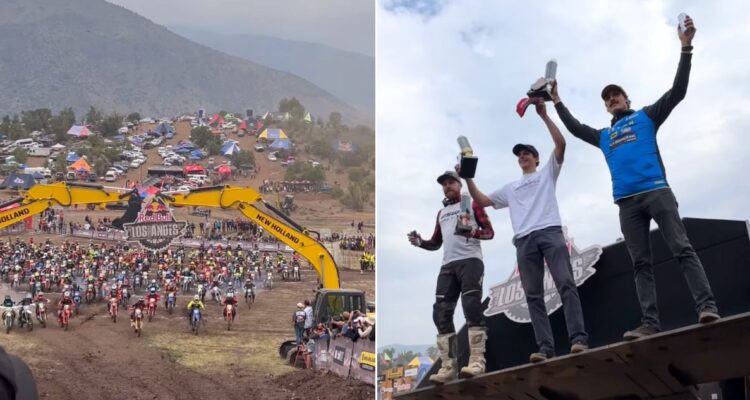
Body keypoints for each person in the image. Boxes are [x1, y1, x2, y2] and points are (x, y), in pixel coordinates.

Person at [551, 14, 719, 340]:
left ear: (626, 99)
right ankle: (650, 324)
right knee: (641, 265)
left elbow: (678, 91)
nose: (612, 99)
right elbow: (573, 128)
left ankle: (706, 306)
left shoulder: (647, 117)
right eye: (607, 98)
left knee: (682, 248)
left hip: (657, 191)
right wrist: (556, 100)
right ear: (606, 107)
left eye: (617, 95)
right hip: (626, 204)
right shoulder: (603, 135)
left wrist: (686, 48)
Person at [464, 100, 589, 363]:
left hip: (550, 233)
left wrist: (544, 115)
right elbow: (482, 200)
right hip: (524, 242)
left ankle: (578, 339)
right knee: (533, 296)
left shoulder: (547, 174)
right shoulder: (511, 188)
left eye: (527, 153)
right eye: (519, 155)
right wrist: (467, 177)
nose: (522, 157)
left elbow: (561, 145)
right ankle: (545, 349)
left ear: (536, 158)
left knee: (565, 283)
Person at [408, 170, 494, 382]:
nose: (447, 186)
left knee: (471, 307)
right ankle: (448, 366)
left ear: (459, 184)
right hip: (447, 265)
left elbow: (489, 232)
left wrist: (472, 232)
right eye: (444, 184)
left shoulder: (472, 204)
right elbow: (436, 242)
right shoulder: (441, 213)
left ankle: (477, 361)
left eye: (451, 182)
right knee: (441, 313)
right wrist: (420, 242)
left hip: (471, 261)